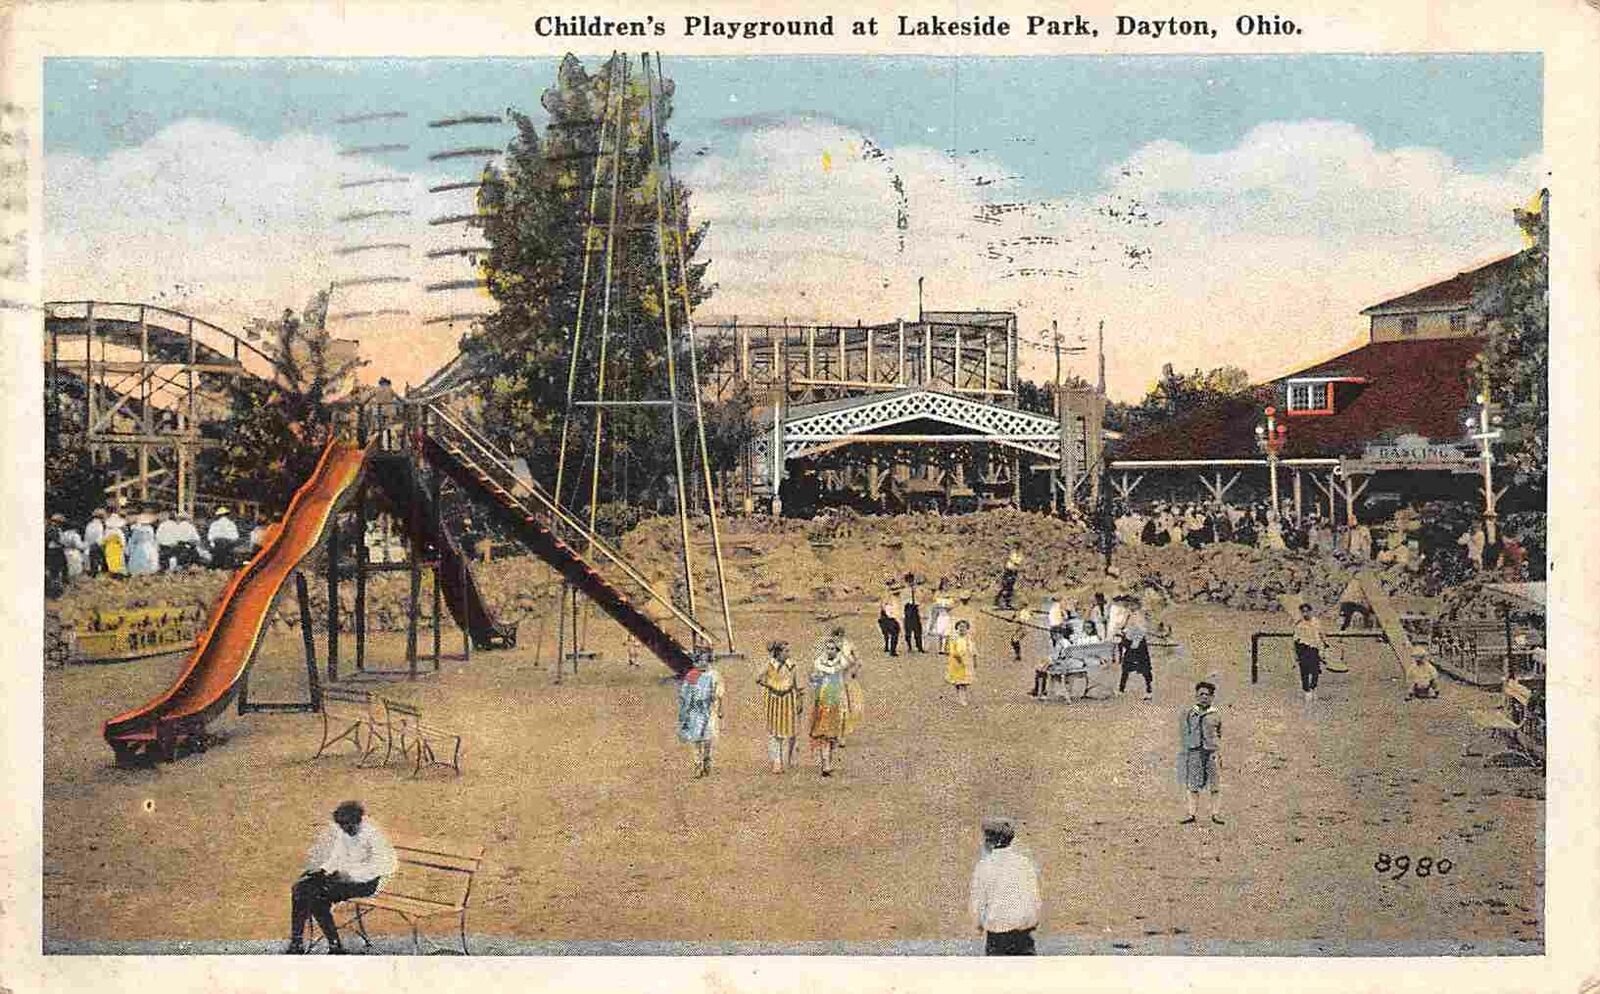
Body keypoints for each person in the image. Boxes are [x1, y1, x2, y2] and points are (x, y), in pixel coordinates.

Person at [286, 800, 397, 954]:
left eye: (349, 826)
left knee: (317, 894)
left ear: (358, 820)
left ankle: (334, 944)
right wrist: (323, 871)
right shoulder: (344, 831)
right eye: (342, 826)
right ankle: (297, 942)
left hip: (369, 883)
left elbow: (381, 867)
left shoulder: (373, 835)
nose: (346, 830)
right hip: (346, 879)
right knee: (300, 886)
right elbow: (337, 856)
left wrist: (349, 875)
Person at [968, 815, 1041, 956]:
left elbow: (977, 903)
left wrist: (978, 926)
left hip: (997, 937)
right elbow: (1034, 899)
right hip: (1024, 935)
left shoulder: (983, 866)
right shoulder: (1024, 863)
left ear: (988, 840)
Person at [1177, 681, 1224, 825]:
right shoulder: (1190, 713)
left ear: (1212, 697)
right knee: (1193, 784)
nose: (1204, 697)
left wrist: (1216, 749)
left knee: (1215, 784)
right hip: (1195, 751)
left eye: (1207, 695)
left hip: (1211, 752)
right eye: (1201, 694)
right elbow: (1185, 732)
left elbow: (1220, 733)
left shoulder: (1216, 714)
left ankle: (1215, 814)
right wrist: (1189, 748)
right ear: (1196, 696)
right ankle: (1191, 814)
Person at [757, 640, 804, 773]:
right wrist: (768, 683)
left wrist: (799, 700)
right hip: (774, 702)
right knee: (775, 732)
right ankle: (777, 761)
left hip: (789, 701)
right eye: (785, 651)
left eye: (788, 651)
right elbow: (759, 678)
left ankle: (789, 757)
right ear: (778, 653)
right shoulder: (770, 665)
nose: (788, 654)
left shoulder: (792, 666)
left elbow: (798, 685)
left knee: (791, 730)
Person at [675, 649, 723, 778]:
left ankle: (707, 760)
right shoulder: (692, 675)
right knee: (696, 739)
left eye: (705, 660)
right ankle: (697, 764)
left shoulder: (714, 675)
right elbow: (684, 694)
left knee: (708, 738)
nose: (702, 663)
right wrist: (685, 709)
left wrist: (718, 707)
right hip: (695, 711)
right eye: (699, 660)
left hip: (710, 710)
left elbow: (719, 693)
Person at [808, 631, 851, 777]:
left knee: (833, 736)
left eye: (832, 648)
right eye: (827, 648)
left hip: (837, 699)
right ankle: (825, 764)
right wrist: (815, 680)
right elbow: (814, 680)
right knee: (824, 734)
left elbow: (837, 668)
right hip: (824, 700)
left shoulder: (841, 662)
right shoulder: (819, 662)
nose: (830, 651)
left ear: (837, 650)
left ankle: (828, 762)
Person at [1112, 597, 1154, 701]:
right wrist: (1120, 630)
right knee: (1126, 667)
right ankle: (1121, 690)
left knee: (1144, 668)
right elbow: (1123, 626)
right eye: (1130, 604)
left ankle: (1149, 691)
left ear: (1137, 605)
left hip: (1138, 644)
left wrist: (1136, 642)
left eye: (1133, 604)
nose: (1131, 606)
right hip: (1129, 643)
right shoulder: (1129, 614)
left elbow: (1142, 630)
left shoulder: (1139, 615)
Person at [1292, 602, 1326, 706]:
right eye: (1303, 612)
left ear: (1311, 612)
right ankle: (1306, 691)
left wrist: (1323, 648)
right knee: (1304, 671)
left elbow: (1321, 635)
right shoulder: (1299, 624)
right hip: (1303, 648)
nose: (1305, 614)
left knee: (1315, 670)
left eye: (1307, 611)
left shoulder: (1316, 622)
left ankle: (1313, 688)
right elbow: (1295, 639)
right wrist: (1296, 654)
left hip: (1314, 648)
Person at [945, 618, 976, 707]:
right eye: (960, 627)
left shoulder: (969, 638)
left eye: (964, 627)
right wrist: (959, 660)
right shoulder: (954, 638)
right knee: (959, 682)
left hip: (967, 663)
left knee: (964, 682)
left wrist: (974, 661)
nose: (962, 629)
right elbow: (952, 651)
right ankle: (961, 698)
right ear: (957, 628)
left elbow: (973, 650)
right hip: (957, 663)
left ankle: (962, 697)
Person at [45, 513, 68, 598]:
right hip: (54, 551)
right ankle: (55, 593)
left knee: (56, 572)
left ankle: (56, 590)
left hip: (56, 551)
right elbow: (57, 540)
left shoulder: (55, 529)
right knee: (55, 572)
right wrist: (64, 544)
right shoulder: (52, 529)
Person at [928, 579, 955, 653]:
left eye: (947, 585)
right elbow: (934, 605)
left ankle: (945, 648)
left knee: (947, 633)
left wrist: (947, 607)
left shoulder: (950, 595)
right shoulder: (938, 594)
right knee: (940, 633)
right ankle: (940, 649)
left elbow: (952, 605)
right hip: (940, 616)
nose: (946, 586)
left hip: (947, 616)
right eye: (945, 585)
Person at [901, 573, 925, 654]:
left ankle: (919, 646)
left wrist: (917, 592)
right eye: (909, 580)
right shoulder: (904, 590)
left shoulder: (917, 589)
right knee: (908, 630)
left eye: (912, 580)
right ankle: (909, 646)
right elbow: (903, 600)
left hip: (915, 609)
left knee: (918, 630)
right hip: (908, 609)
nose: (911, 582)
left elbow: (921, 598)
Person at [878, 582, 902, 656]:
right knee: (894, 634)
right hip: (888, 618)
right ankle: (892, 651)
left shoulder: (891, 597)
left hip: (888, 618)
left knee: (892, 634)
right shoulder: (888, 597)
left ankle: (891, 649)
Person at [84, 508, 107, 576]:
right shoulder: (100, 526)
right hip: (96, 547)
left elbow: (86, 538)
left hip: (89, 547)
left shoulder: (89, 525)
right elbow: (100, 540)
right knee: (96, 566)